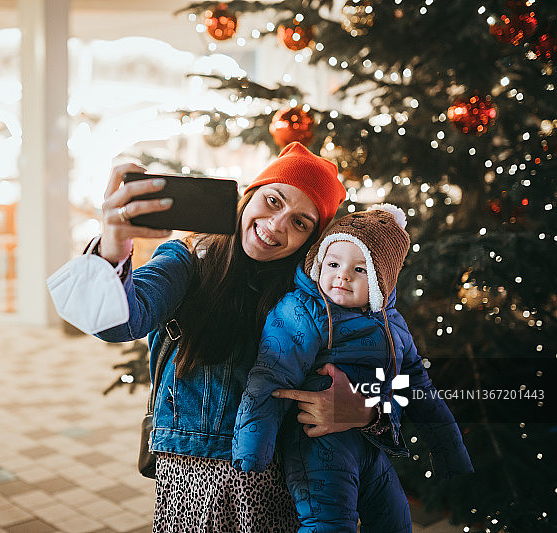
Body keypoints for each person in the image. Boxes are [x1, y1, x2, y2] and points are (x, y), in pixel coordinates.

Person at [92, 141, 390, 531]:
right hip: (193, 489)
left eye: (301, 222)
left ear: (311, 240)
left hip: (285, 488)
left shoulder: (322, 297)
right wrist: (114, 245)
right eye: (273, 200)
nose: (278, 224)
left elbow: (393, 374)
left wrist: (366, 411)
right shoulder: (188, 260)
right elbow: (119, 322)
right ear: (250, 194)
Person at [232, 205, 474, 533]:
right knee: (329, 523)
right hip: (319, 446)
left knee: (396, 517)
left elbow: (419, 387)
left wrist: (449, 449)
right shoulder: (303, 310)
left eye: (360, 270)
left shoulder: (395, 325)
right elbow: (271, 374)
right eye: (333, 264)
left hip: (370, 445)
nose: (343, 275)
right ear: (319, 265)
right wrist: (253, 448)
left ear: (380, 280)